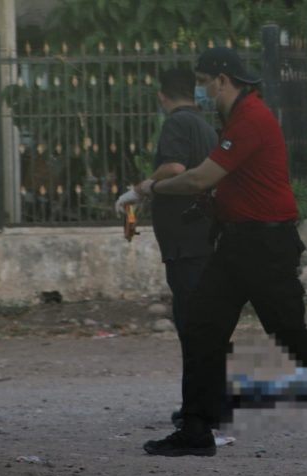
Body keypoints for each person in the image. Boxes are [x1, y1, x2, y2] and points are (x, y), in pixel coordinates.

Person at [133, 47, 307, 457]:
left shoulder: (251, 118)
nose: (200, 90)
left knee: (291, 335)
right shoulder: (236, 118)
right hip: (237, 242)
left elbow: (200, 178)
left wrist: (152, 188)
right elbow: (232, 183)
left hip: (266, 245)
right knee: (202, 328)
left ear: (222, 80)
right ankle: (197, 429)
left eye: (202, 81)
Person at [115, 67, 218, 425]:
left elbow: (174, 166)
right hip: (203, 238)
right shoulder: (206, 127)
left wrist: (143, 187)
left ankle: (198, 410)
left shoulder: (177, 124)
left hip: (186, 244)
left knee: (191, 325)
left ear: (162, 96)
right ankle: (205, 403)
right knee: (202, 324)